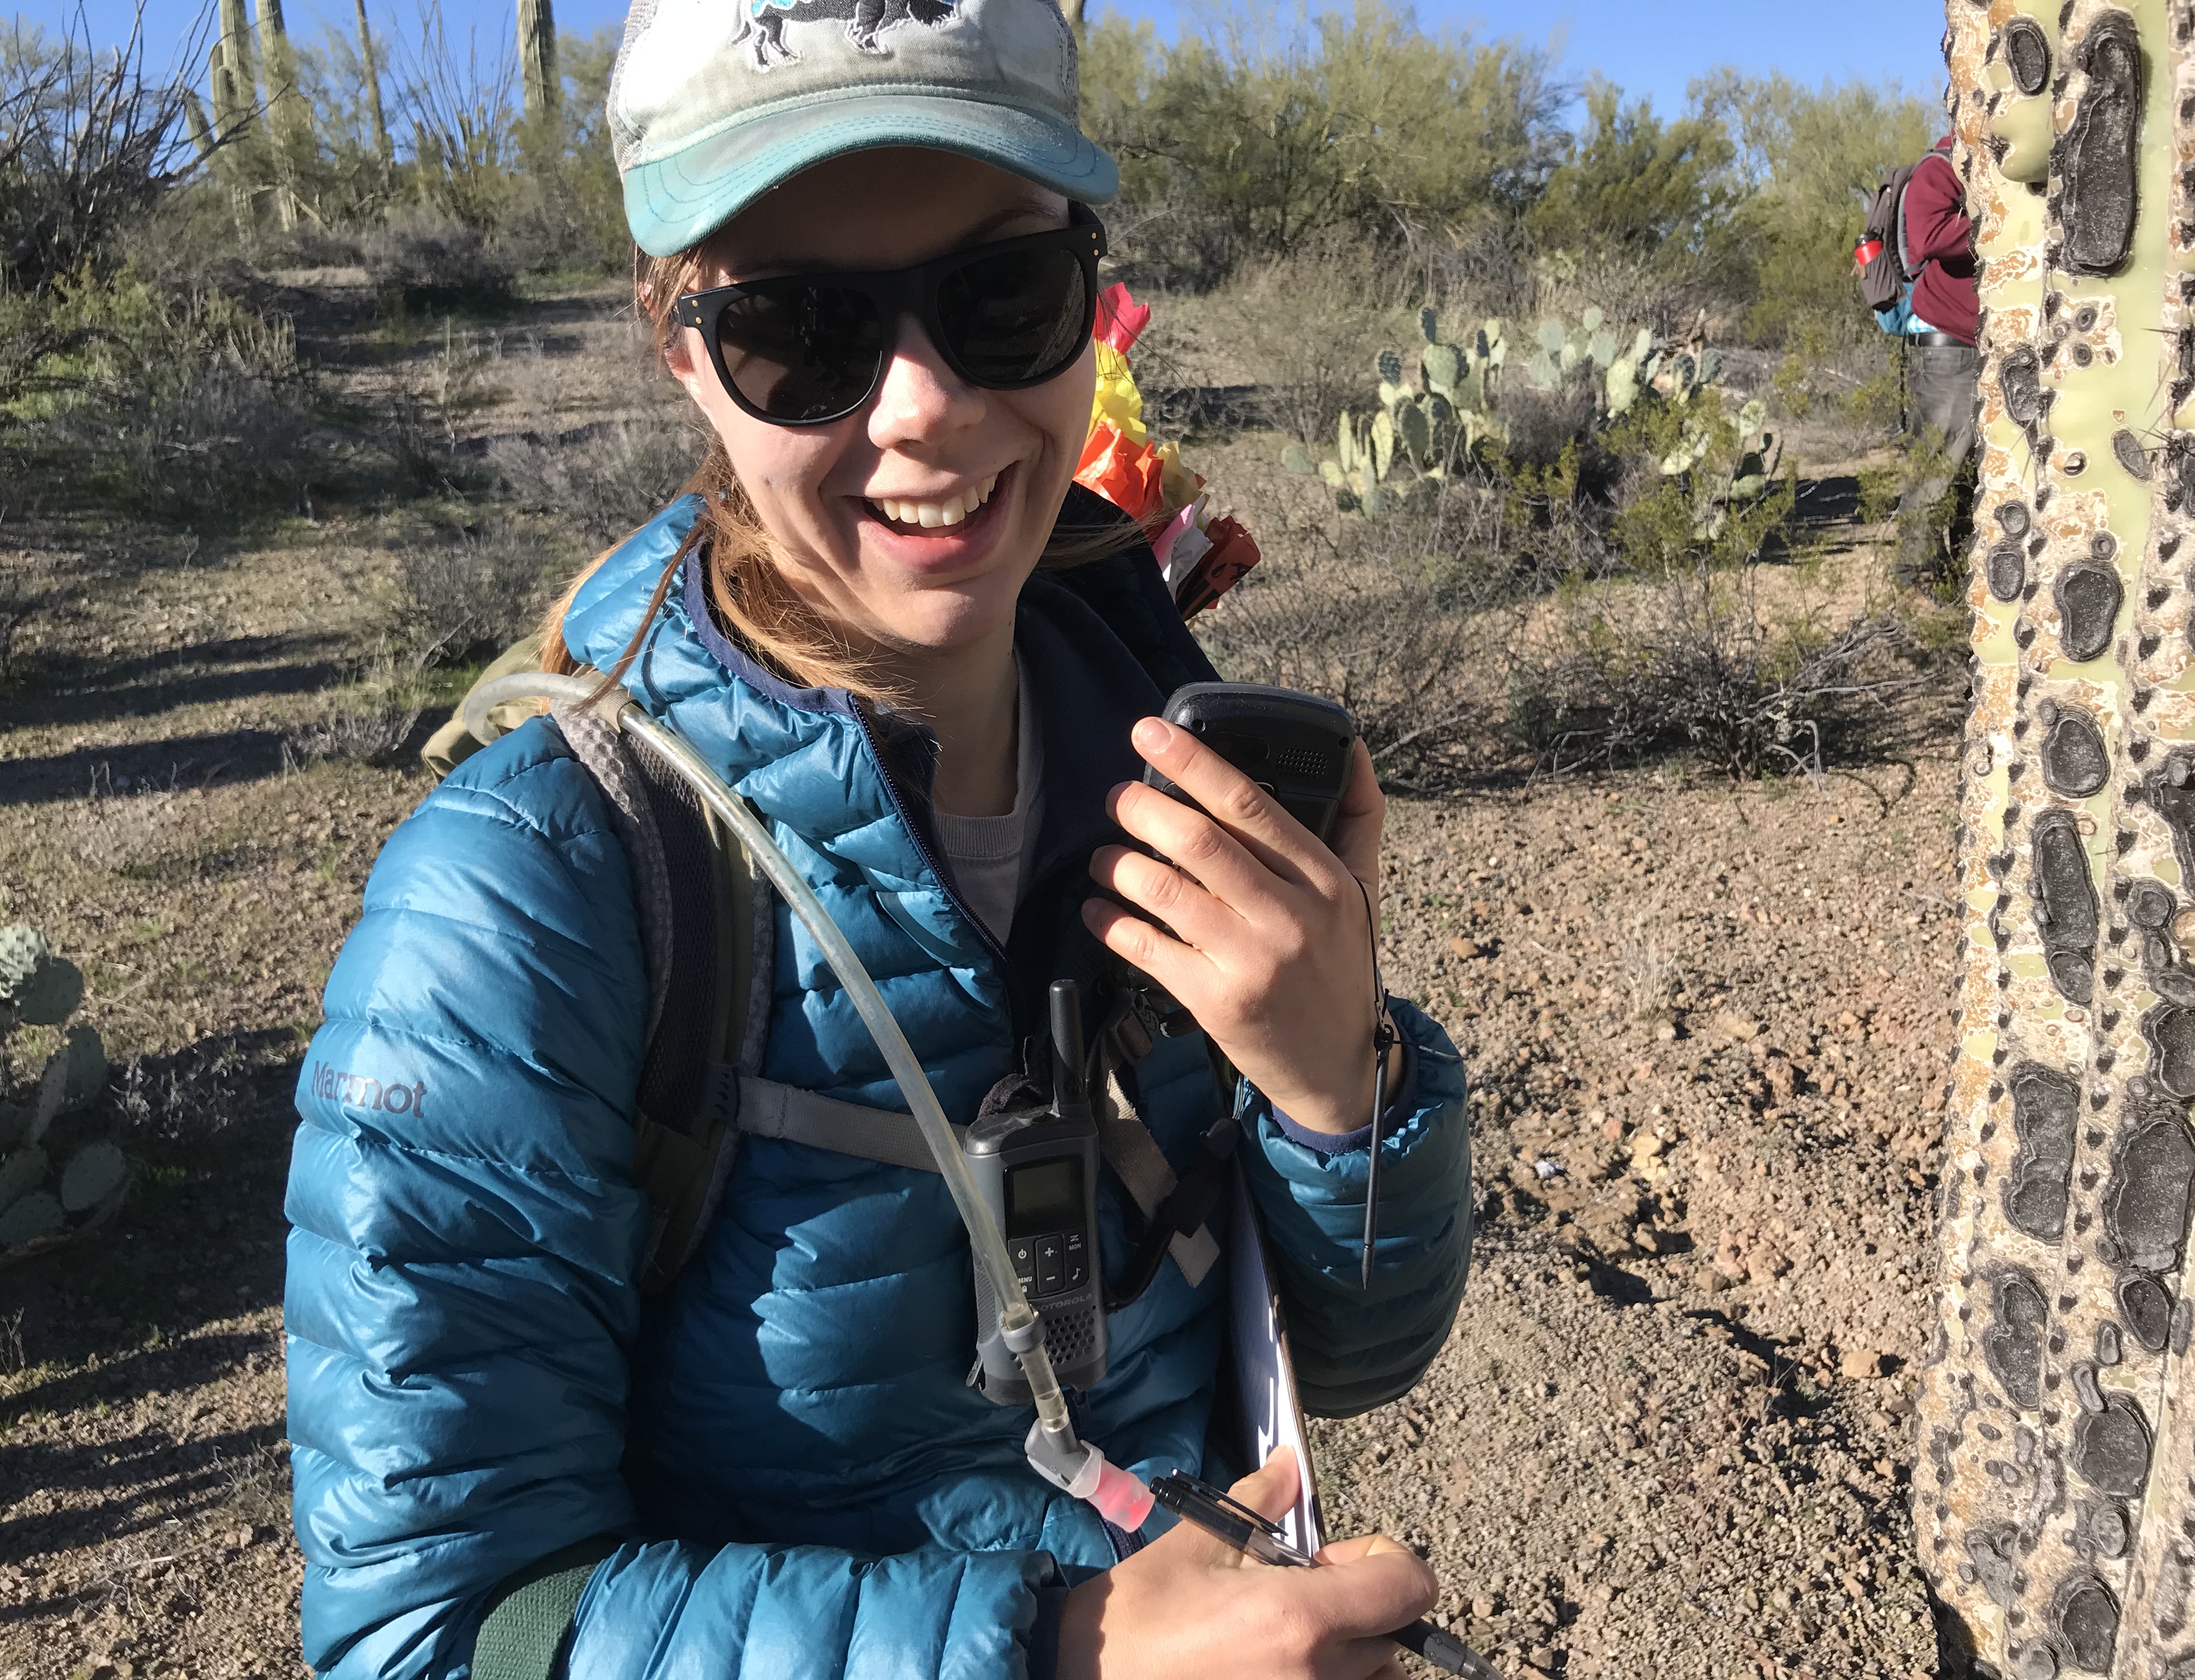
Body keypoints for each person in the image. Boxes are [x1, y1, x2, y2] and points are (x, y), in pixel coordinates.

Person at [280, 0, 1474, 1674]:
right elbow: (442, 1628)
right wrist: (1060, 1652)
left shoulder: (1160, 744)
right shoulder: (524, 900)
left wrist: (1340, 1089)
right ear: (680, 346)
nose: (924, 409)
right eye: (802, 332)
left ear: (1091, 293)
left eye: (1001, 296)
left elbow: (1346, 1355)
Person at [1892, 133, 1982, 591]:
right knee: (1938, 463)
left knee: (1982, 468)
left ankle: (1969, 573)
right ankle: (1916, 573)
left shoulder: (1999, 167)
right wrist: (1994, 225)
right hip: (1950, 347)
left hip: (1991, 346)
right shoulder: (1943, 166)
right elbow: (1928, 236)